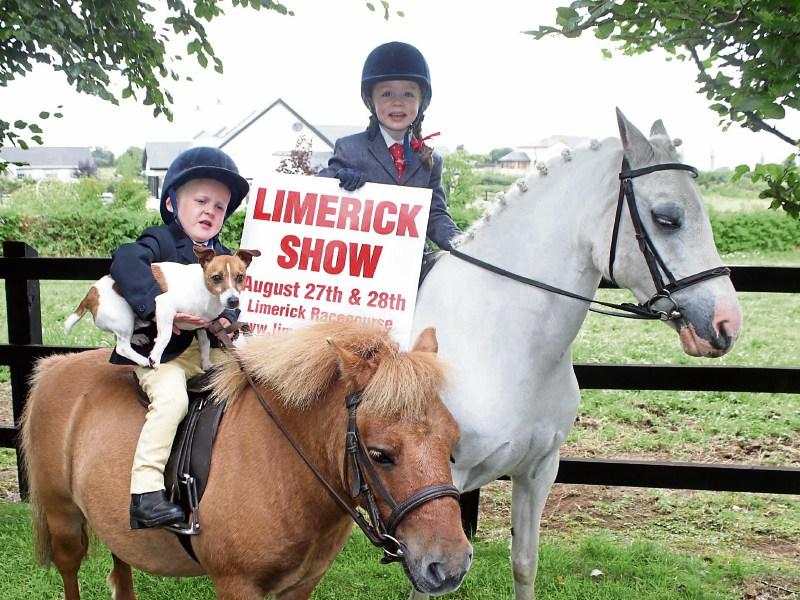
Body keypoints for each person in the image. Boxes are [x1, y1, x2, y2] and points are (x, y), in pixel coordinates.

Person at [109, 146, 249, 529]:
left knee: (254, 386)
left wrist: (230, 321)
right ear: (172, 203)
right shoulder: (160, 240)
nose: (210, 211)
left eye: (220, 207)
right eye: (201, 200)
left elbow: (229, 304)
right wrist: (155, 305)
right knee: (171, 400)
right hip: (163, 354)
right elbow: (125, 259)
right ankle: (146, 492)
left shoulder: (224, 257)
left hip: (207, 351)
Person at [319, 41, 462, 252]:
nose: (397, 102)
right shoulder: (349, 148)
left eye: (408, 94)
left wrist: (465, 245)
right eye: (387, 94)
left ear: (421, 102)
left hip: (414, 266)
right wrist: (336, 182)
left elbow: (435, 216)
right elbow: (316, 196)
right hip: (362, 262)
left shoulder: (431, 160)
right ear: (371, 100)